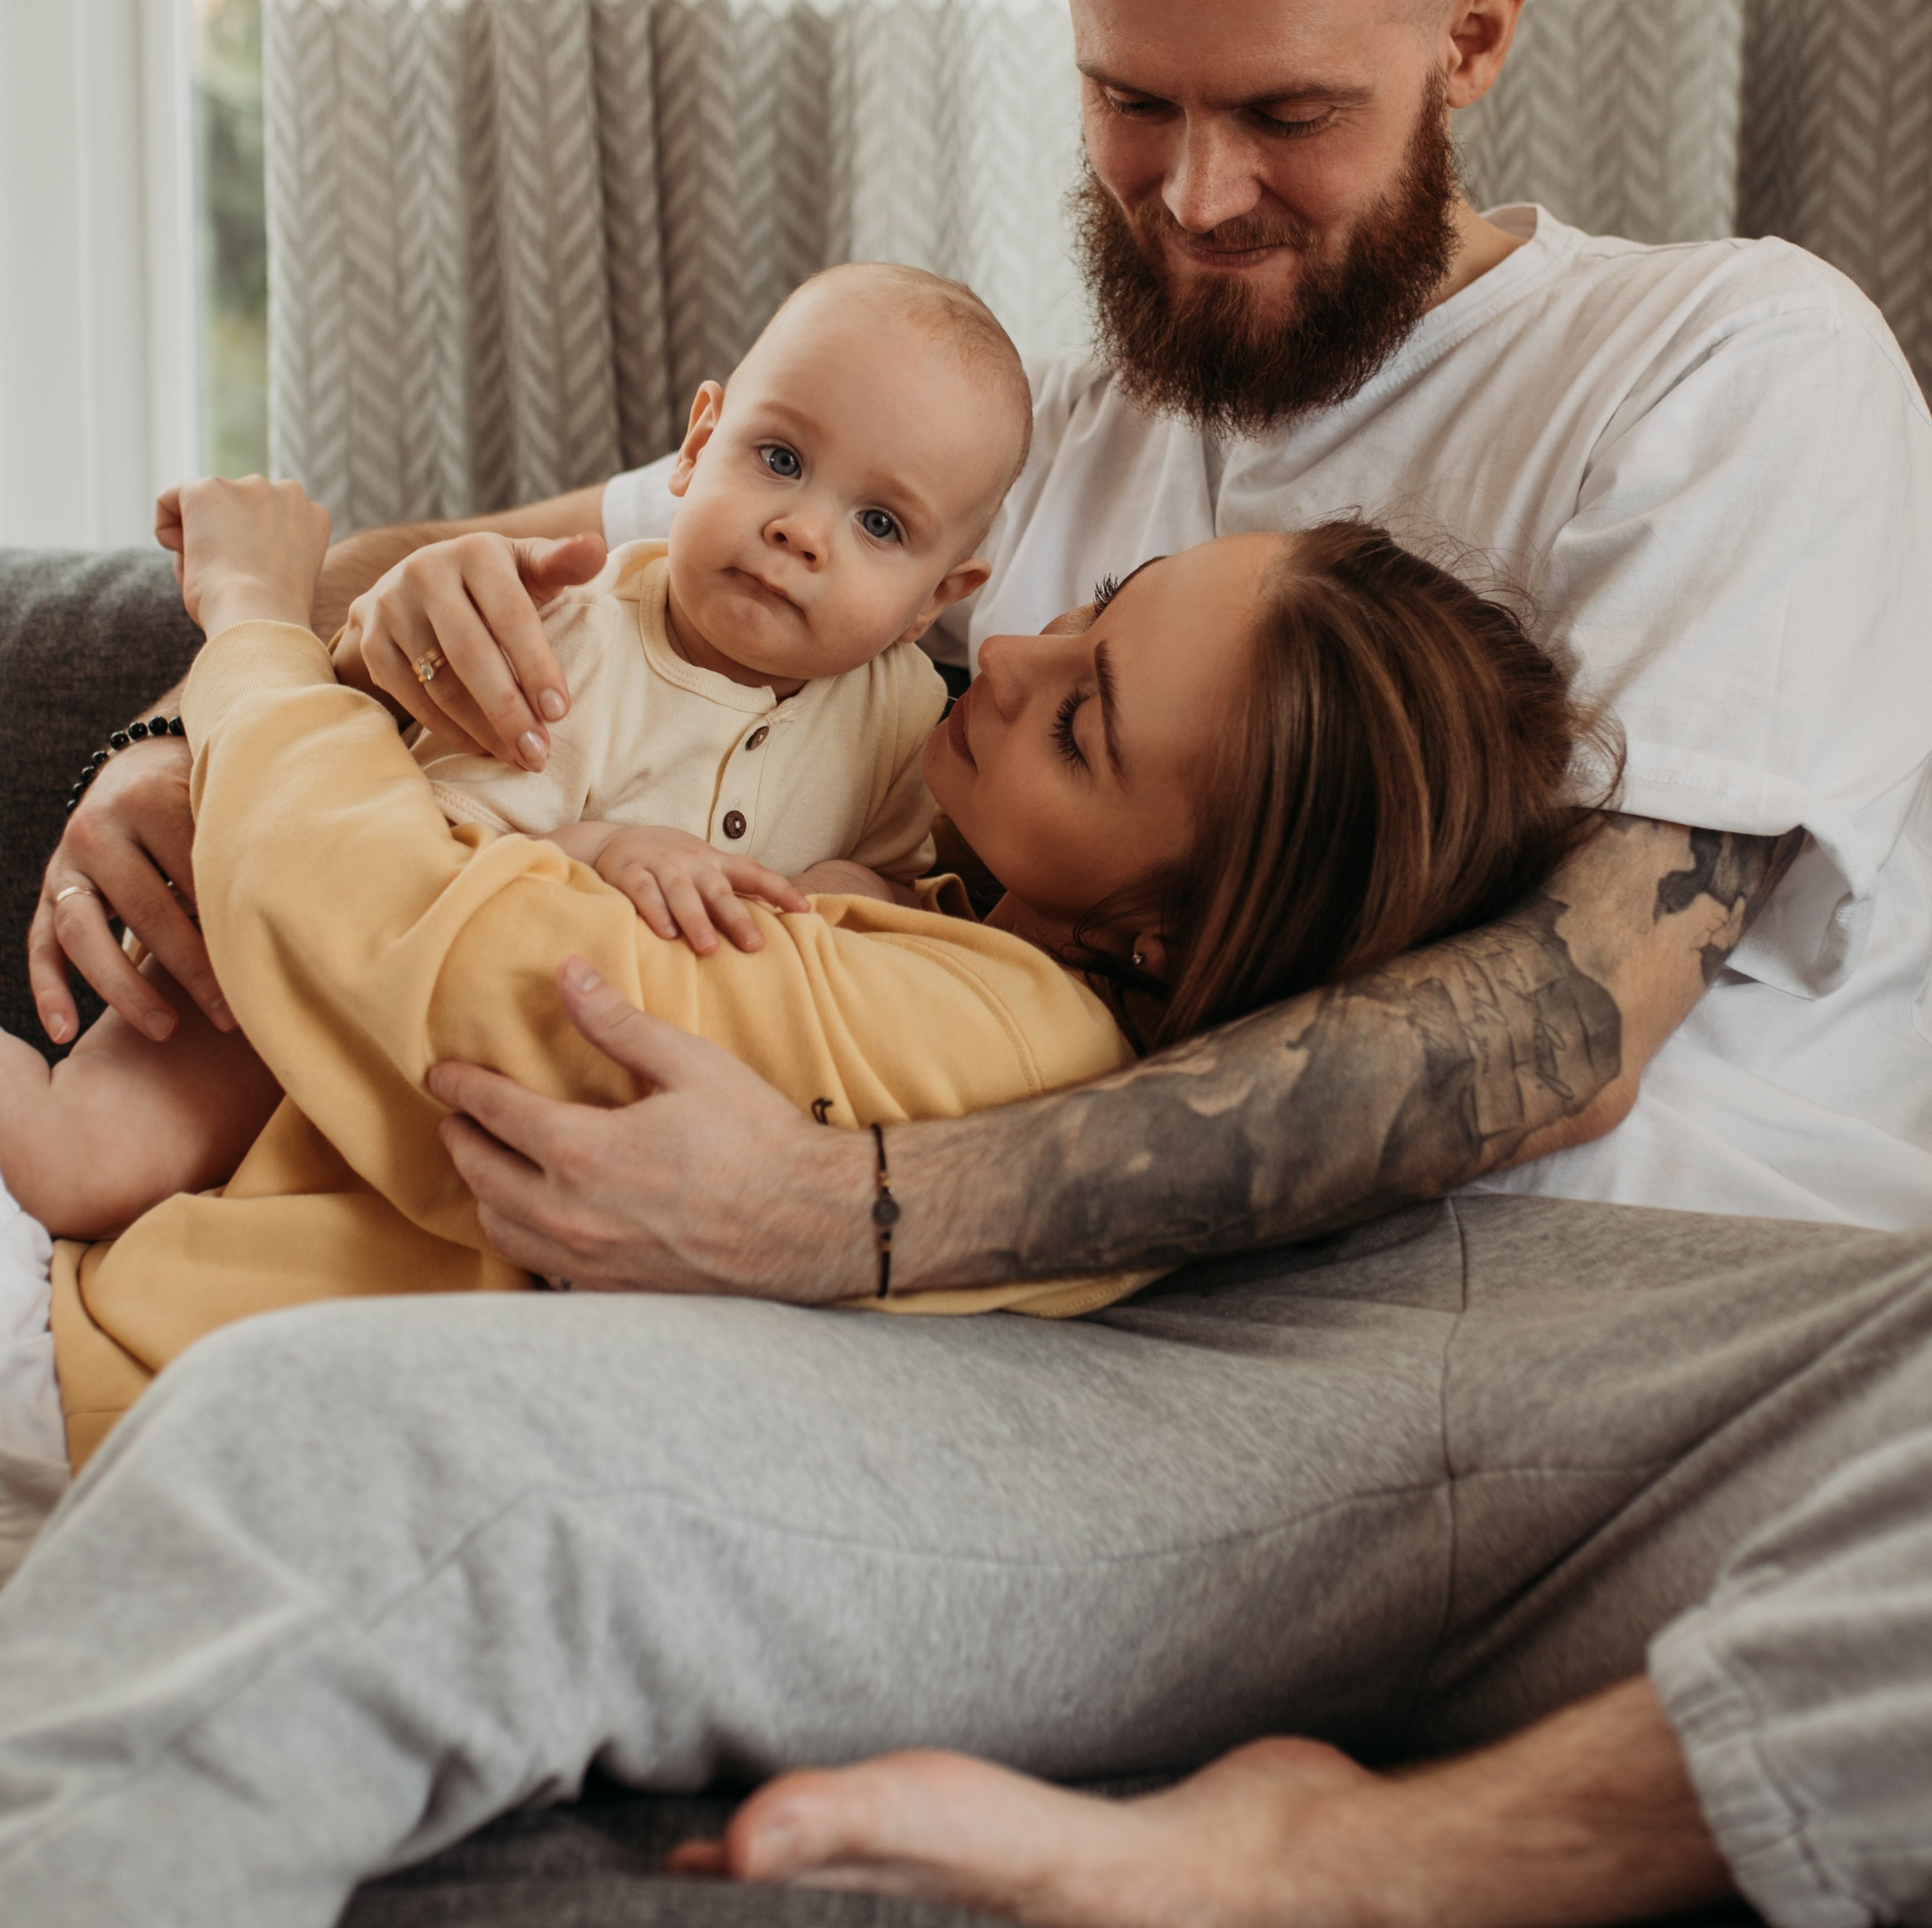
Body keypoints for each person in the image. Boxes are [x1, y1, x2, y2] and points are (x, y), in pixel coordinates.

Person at [8, 0, 1932, 1928]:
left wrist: (847, 1212)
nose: (1199, 194)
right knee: (352, 1453)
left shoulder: (1727, 365)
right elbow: (451, 568)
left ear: (1476, 34)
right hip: (1130, 1375)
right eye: (1137, 103)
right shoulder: (1057, 439)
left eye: (1290, 118)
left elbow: (1562, 1025)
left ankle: (1380, 1860)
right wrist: (185, 731)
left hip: (1650, 1354)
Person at [28, 475, 1599, 1480]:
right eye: (1096, 606)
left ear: (1165, 937)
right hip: (139, 1323)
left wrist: (247, 624)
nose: (1011, 660)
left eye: (1080, 726)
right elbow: (544, 563)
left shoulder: (983, 1044)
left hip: (128, 1386)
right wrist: (323, 660)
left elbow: (384, 922)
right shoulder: (936, 869)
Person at [0, 261, 1029, 1242]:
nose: (804, 530)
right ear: (697, 442)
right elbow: (404, 872)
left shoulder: (905, 724)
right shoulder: (571, 633)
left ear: (937, 599)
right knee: (76, 1163)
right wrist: (601, 853)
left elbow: (904, 921)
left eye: (881, 524)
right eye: (781, 459)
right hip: (322, 962)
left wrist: (852, 891)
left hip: (552, 1080)